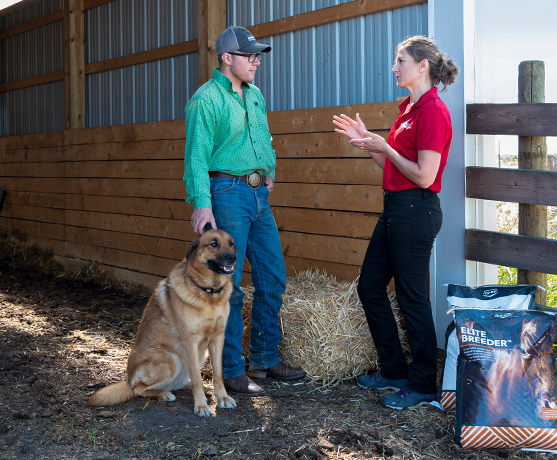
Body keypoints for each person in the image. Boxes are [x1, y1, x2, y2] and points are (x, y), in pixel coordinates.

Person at [332, 35, 459, 410]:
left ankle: (422, 384)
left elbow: (423, 176)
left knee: (411, 298)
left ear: (422, 66)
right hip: (395, 208)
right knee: (370, 286)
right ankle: (394, 371)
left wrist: (385, 147)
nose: (394, 67)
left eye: (400, 60)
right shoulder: (408, 108)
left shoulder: (433, 111)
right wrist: (373, 146)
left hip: (416, 210)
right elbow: (393, 169)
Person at [183, 26, 306, 397]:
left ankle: (265, 358)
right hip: (226, 192)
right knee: (231, 285)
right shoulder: (206, 101)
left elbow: (262, 137)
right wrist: (202, 203)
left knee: (273, 275)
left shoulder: (254, 96)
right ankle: (233, 370)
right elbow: (197, 157)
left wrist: (267, 171)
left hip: (256, 195)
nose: (255, 62)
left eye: (257, 56)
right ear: (226, 58)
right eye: (249, 56)